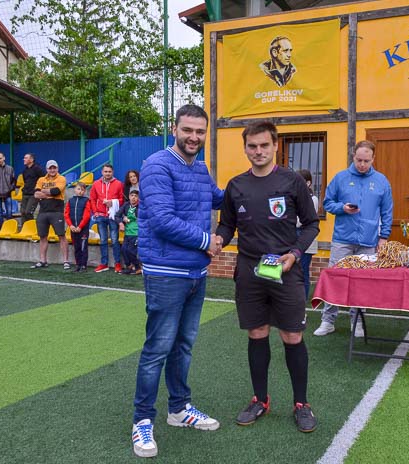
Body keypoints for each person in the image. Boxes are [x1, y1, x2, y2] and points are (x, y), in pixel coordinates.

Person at [132, 104, 224, 459]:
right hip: (166, 273)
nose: (194, 137)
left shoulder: (199, 167)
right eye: (188, 130)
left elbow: (218, 199)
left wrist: (256, 185)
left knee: (183, 346)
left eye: (200, 131)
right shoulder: (157, 165)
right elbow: (162, 219)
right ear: (174, 128)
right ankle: (142, 420)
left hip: (195, 273)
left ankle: (179, 409)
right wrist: (207, 242)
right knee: (158, 348)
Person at [216, 121, 320, 433]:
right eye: (252, 146)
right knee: (257, 333)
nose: (258, 151)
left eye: (264, 145)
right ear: (245, 148)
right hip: (249, 271)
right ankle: (260, 399)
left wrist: (296, 254)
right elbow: (227, 225)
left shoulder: (291, 181)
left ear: (275, 146)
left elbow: (312, 223)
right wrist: (218, 240)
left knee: (292, 336)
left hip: (285, 271)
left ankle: (301, 403)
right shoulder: (235, 185)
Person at [313, 140, 393, 338]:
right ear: (353, 157)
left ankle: (357, 322)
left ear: (373, 159)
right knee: (335, 279)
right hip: (343, 239)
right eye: (359, 160)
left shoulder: (382, 181)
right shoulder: (340, 178)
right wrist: (342, 208)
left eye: (366, 160)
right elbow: (327, 202)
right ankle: (328, 321)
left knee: (362, 284)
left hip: (368, 241)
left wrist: (384, 237)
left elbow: (387, 210)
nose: (362, 164)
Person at [31, 160, 70, 270]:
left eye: (54, 168)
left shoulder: (61, 178)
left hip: (57, 212)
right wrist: (48, 193)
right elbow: (36, 194)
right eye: (50, 168)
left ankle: (66, 261)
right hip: (43, 212)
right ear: (47, 169)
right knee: (42, 237)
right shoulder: (41, 179)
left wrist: (43, 192)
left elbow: (56, 191)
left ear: (57, 168)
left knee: (61, 236)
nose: (52, 170)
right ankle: (43, 260)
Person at [90, 164, 124, 273]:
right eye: (105, 171)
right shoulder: (96, 184)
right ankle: (104, 264)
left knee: (115, 240)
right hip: (100, 216)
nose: (107, 173)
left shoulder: (119, 184)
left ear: (112, 172)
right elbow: (93, 199)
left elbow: (122, 200)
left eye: (109, 171)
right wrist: (95, 212)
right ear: (102, 172)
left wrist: (112, 203)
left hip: (113, 216)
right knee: (103, 240)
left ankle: (117, 263)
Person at [297, 169, 319, 299]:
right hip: (296, 237)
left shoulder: (313, 199)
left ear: (308, 183)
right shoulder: (295, 197)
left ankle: (303, 299)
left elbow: (300, 221)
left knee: (303, 271)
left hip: (306, 239)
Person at [64, 181, 91, 272]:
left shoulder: (86, 201)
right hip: (73, 228)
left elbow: (87, 215)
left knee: (83, 247)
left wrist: (80, 226)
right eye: (78, 189)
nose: (80, 191)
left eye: (82, 190)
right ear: (75, 190)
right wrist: (71, 225)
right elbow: (66, 214)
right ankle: (78, 264)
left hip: (82, 229)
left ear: (85, 191)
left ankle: (83, 265)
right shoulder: (70, 201)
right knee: (76, 247)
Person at [116, 189, 140, 275]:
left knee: (131, 251)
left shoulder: (141, 207)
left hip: (137, 233)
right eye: (132, 196)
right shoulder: (126, 205)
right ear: (129, 197)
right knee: (123, 249)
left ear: (138, 198)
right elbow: (117, 215)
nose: (133, 198)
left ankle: (137, 267)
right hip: (127, 232)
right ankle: (129, 266)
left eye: (136, 196)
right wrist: (121, 221)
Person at [20, 153, 45, 224]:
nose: (24, 159)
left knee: (28, 212)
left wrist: (38, 190)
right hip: (25, 193)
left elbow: (44, 179)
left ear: (31, 159)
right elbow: (25, 181)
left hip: (33, 194)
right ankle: (24, 229)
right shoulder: (25, 171)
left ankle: (32, 227)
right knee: (23, 212)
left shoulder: (37, 169)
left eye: (26, 158)